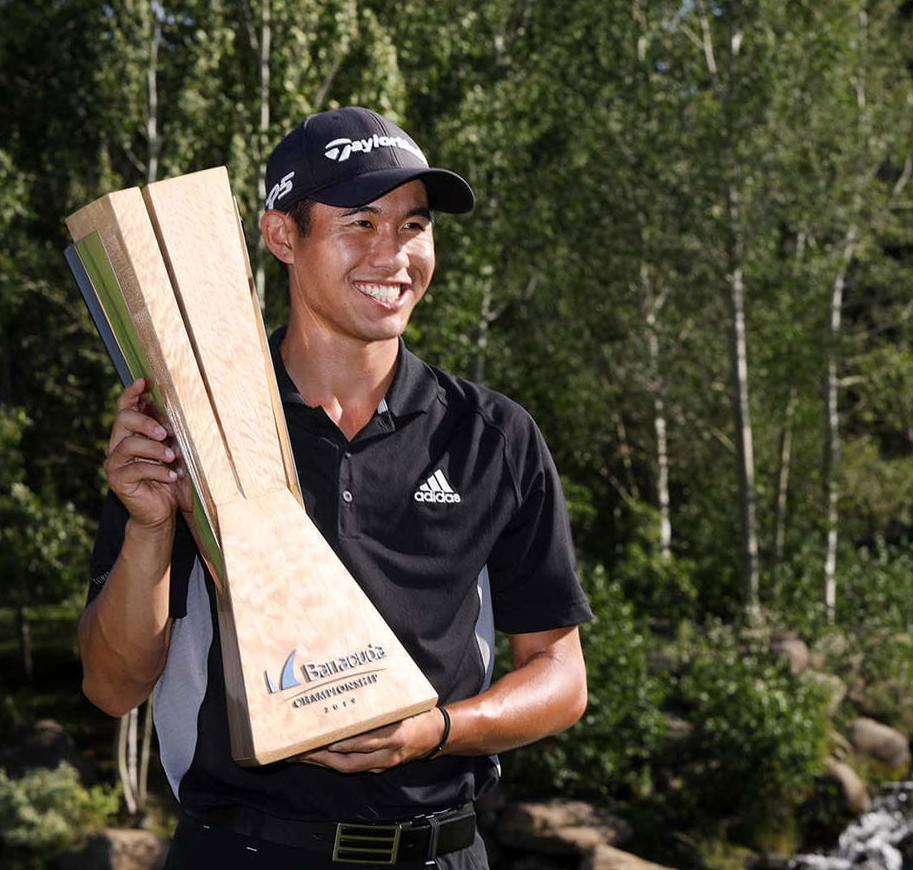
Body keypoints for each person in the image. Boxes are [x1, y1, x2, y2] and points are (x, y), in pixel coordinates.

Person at [78, 106, 591, 869]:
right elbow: (112, 686)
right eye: (360, 222)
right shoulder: (196, 423)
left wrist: (436, 730)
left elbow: (561, 675)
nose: (394, 255)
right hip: (243, 851)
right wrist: (151, 525)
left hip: (442, 853)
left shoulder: (492, 436)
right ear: (283, 236)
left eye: (413, 226)